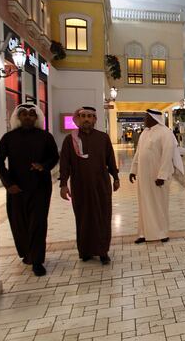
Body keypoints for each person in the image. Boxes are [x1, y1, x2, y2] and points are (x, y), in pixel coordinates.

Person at [0, 104, 59, 276]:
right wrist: (9, 184)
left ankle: (37, 260)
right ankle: (27, 254)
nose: (28, 117)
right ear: (18, 117)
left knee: (38, 222)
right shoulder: (9, 138)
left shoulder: (45, 137)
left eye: (32, 114)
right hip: (17, 188)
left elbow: (54, 157)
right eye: (24, 114)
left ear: (37, 117)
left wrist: (43, 166)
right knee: (19, 222)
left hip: (40, 187)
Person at [59, 107, 120, 264]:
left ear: (95, 119)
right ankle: (85, 251)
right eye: (83, 116)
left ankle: (102, 251)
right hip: (80, 187)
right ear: (78, 119)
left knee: (102, 217)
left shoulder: (103, 138)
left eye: (90, 116)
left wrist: (116, 177)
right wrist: (63, 184)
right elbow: (64, 163)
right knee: (83, 218)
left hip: (101, 185)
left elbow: (110, 159)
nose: (86, 119)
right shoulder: (69, 140)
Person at [130, 109, 184, 244]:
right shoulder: (144, 133)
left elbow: (167, 155)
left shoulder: (165, 133)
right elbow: (139, 153)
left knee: (159, 204)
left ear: (154, 118)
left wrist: (162, 175)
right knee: (144, 204)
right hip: (143, 176)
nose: (144, 119)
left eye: (146, 117)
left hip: (157, 177)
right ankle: (143, 233)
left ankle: (162, 232)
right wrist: (133, 170)